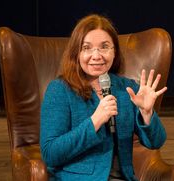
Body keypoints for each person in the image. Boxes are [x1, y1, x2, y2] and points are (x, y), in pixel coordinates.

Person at [40, 14, 167, 181]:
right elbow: (50, 154)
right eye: (87, 48)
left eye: (104, 47)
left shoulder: (127, 88)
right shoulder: (60, 90)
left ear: (114, 52)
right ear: (76, 53)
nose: (96, 55)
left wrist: (147, 113)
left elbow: (156, 142)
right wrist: (95, 121)